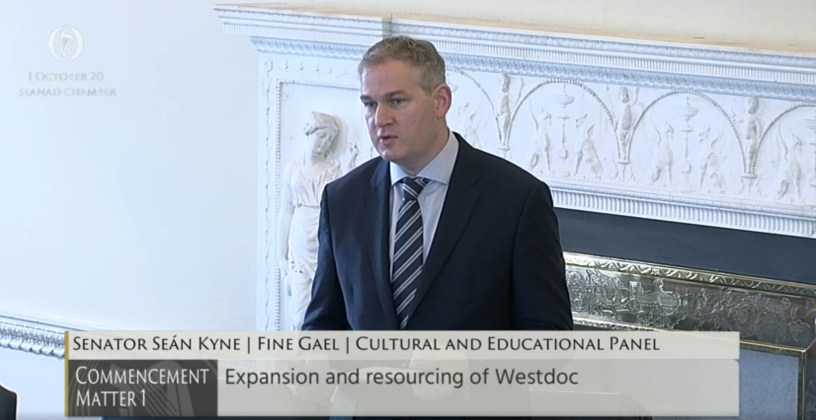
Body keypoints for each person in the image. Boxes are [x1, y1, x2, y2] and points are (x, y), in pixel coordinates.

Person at [302, 34, 571, 333]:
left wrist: (469, 358)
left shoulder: (517, 200)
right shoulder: (342, 200)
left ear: (440, 101)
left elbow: (549, 339)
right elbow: (322, 326)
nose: (380, 119)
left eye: (396, 101)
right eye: (369, 104)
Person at [278, 111, 343, 330]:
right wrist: (281, 256)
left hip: (322, 235)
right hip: (299, 239)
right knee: (299, 315)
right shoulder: (293, 169)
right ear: (309, 132)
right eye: (321, 136)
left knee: (323, 306)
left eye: (330, 139)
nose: (325, 142)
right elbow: (286, 211)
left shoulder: (333, 170)